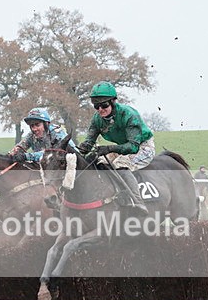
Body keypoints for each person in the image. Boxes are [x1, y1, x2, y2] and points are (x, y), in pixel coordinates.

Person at [76, 81, 154, 214]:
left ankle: (137, 203)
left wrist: (108, 149)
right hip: (120, 148)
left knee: (120, 164)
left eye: (104, 105)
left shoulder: (128, 115)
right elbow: (89, 142)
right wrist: (81, 149)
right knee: (98, 162)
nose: (100, 109)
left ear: (113, 102)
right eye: (96, 106)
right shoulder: (97, 119)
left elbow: (133, 147)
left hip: (142, 147)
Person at [9, 107, 74, 162]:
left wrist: (26, 156)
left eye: (37, 125)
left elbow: (51, 154)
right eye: (32, 126)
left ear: (46, 123)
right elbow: (20, 147)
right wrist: (15, 153)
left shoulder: (57, 133)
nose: (34, 129)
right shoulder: (32, 135)